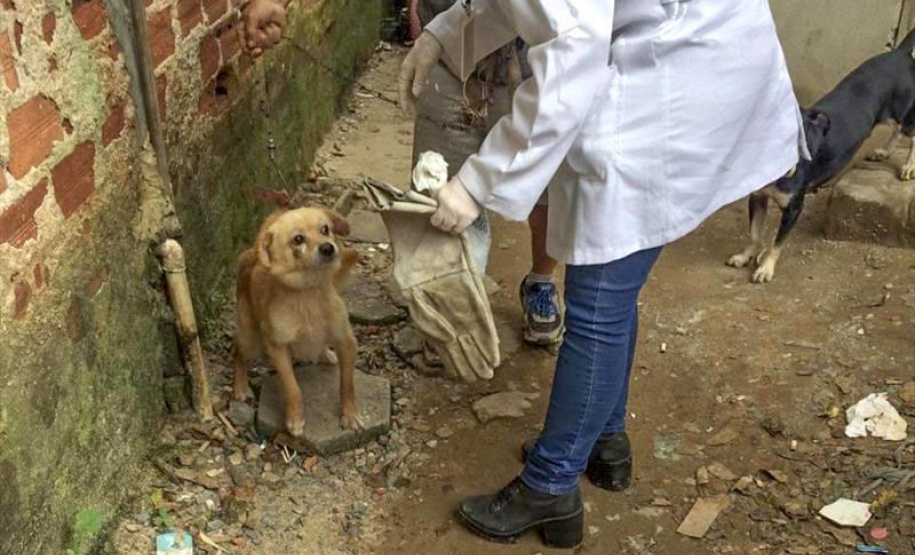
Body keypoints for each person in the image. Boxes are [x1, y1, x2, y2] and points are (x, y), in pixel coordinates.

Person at [244, 0, 805, 547]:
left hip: (676, 79)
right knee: (611, 288)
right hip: (667, 53)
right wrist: (450, 29)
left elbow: (572, 49)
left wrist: (474, 183)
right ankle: (604, 442)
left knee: (596, 300)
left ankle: (552, 486)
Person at [239, 0, 566, 348]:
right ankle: (452, 302)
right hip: (452, 46)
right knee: (440, 196)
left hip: (543, 55)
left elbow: (579, 43)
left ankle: (540, 281)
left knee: (546, 190)